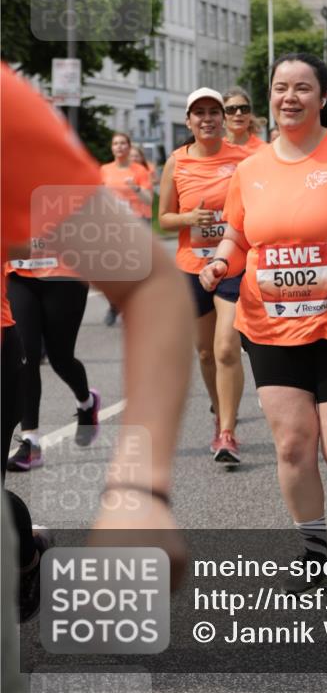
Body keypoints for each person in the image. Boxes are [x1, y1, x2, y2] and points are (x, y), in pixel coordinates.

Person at [200, 53, 327, 588]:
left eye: (301, 88)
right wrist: (221, 260)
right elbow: (239, 236)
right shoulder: (249, 171)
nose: (288, 97)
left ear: (322, 97)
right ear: (269, 97)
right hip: (271, 325)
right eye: (279, 88)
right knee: (293, 445)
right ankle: (315, 554)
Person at [1, 63, 194, 625]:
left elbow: (150, 282)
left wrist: (139, 488)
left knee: (54, 356)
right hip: (27, 288)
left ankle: (23, 548)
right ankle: (27, 539)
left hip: (49, 290)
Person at [159, 86, 263, 466]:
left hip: (234, 265)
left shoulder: (246, 159)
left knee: (225, 347)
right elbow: (164, 219)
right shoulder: (177, 162)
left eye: (213, 112)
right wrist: (189, 219)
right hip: (191, 268)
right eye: (199, 113)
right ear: (188, 121)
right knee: (204, 352)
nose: (207, 119)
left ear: (223, 120)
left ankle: (228, 432)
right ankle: (220, 414)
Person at [5, 253, 98, 471]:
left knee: (61, 359)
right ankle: (31, 442)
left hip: (65, 273)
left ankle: (87, 402)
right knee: (26, 355)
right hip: (19, 272)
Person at [100, 132, 153, 326]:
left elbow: (149, 200)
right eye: (116, 143)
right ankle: (114, 305)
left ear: (129, 147)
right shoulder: (104, 170)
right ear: (112, 148)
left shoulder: (139, 170)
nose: (119, 147)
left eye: (123, 143)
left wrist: (136, 189)